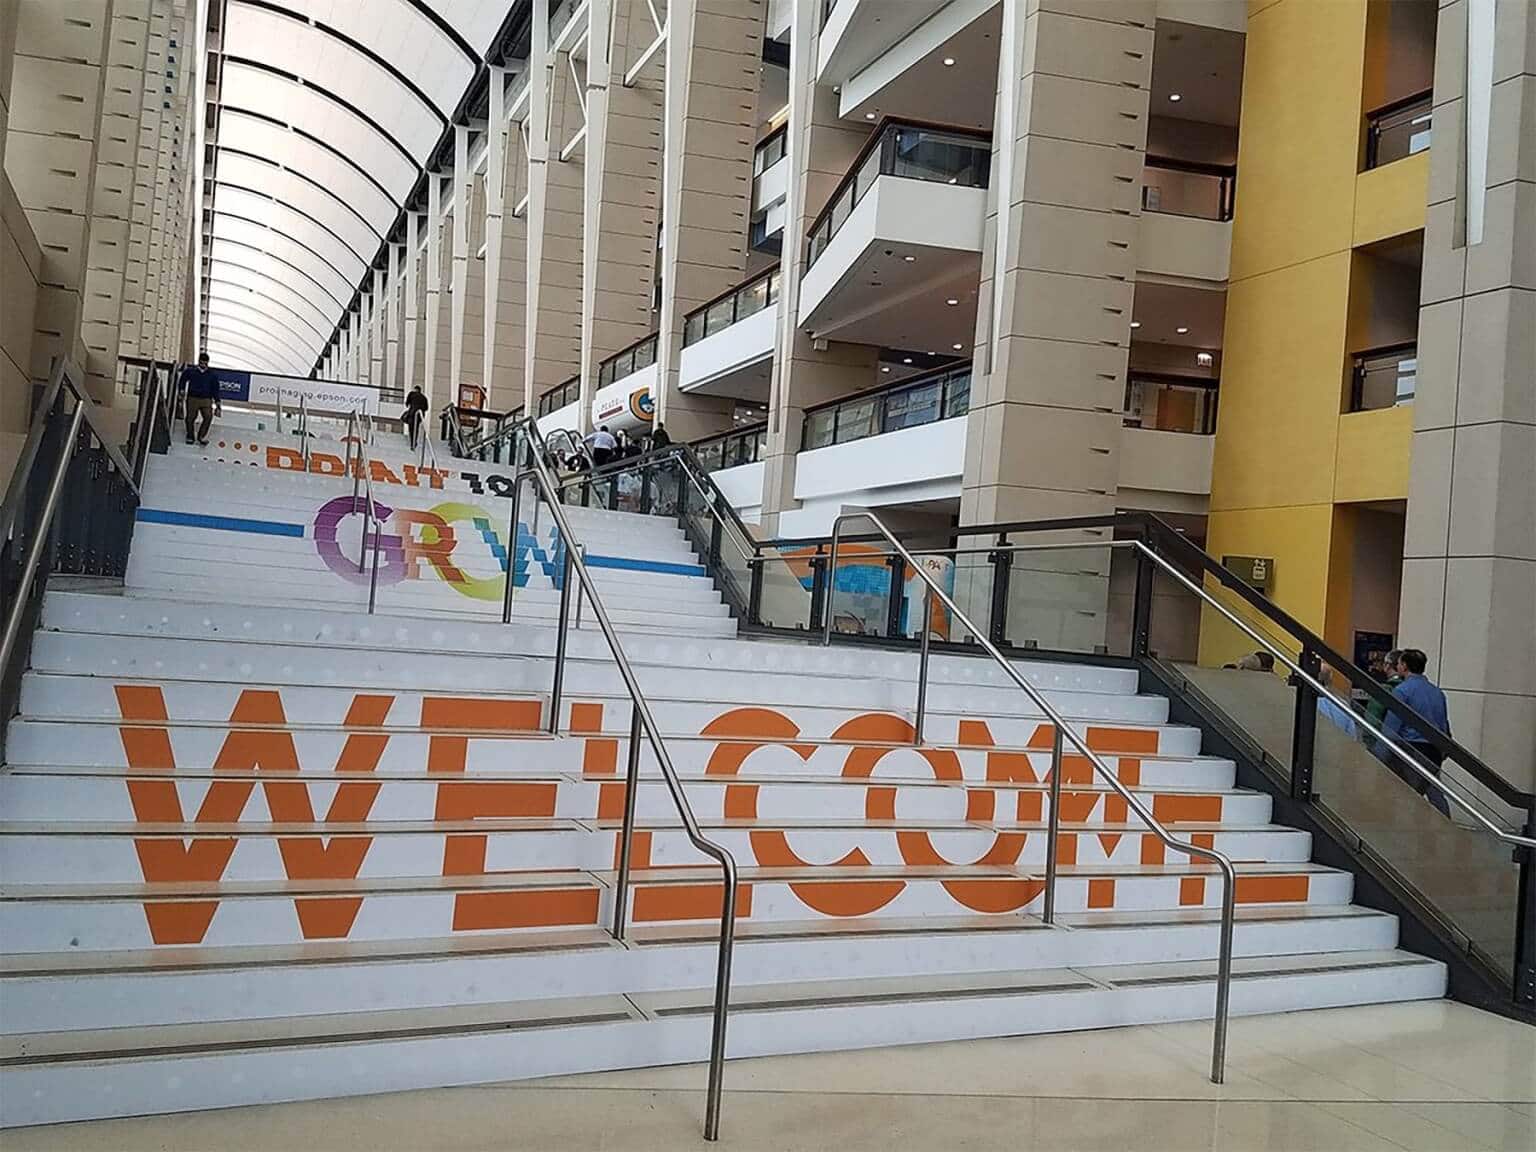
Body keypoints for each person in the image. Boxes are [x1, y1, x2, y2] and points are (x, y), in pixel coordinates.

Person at [1383, 648, 1452, 817]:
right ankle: (1445, 824)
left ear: (1404, 666)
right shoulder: (1437, 692)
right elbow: (1444, 725)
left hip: (1410, 749)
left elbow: (1391, 727)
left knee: (1404, 797)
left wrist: (1380, 752)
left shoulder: (1402, 691)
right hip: (1434, 751)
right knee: (1434, 791)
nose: (1398, 666)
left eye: (1399, 663)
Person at [178, 353, 222, 446]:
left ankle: (201, 436)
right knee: (190, 418)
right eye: (201, 363)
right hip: (192, 398)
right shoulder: (191, 371)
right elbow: (183, 380)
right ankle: (190, 436)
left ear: (207, 363)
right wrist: (181, 390)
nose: (203, 365)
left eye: (205, 363)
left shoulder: (212, 375)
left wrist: (218, 403)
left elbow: (215, 390)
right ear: (198, 361)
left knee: (208, 416)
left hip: (206, 399)